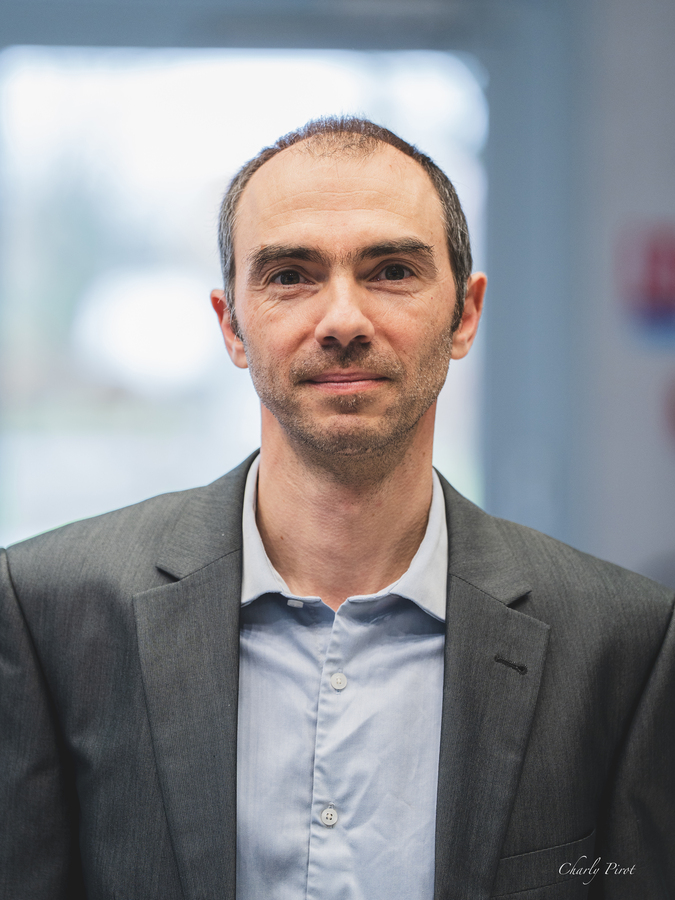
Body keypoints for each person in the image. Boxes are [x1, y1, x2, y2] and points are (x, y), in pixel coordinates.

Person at [1, 117, 673, 900]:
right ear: (232, 326)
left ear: (464, 314)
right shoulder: (47, 611)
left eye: (390, 270)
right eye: (290, 274)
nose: (343, 321)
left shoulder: (626, 642)